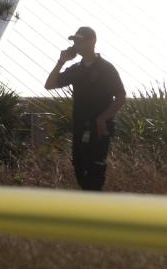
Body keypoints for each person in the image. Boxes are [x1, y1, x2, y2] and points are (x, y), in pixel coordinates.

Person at [44, 26, 126, 191]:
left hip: (99, 131)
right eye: (75, 41)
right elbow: (50, 85)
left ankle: (96, 213)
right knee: (81, 174)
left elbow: (121, 97)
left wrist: (102, 118)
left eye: (80, 41)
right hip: (80, 129)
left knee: (94, 178)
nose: (76, 45)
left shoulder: (106, 68)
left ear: (92, 41)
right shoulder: (76, 69)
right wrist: (61, 61)